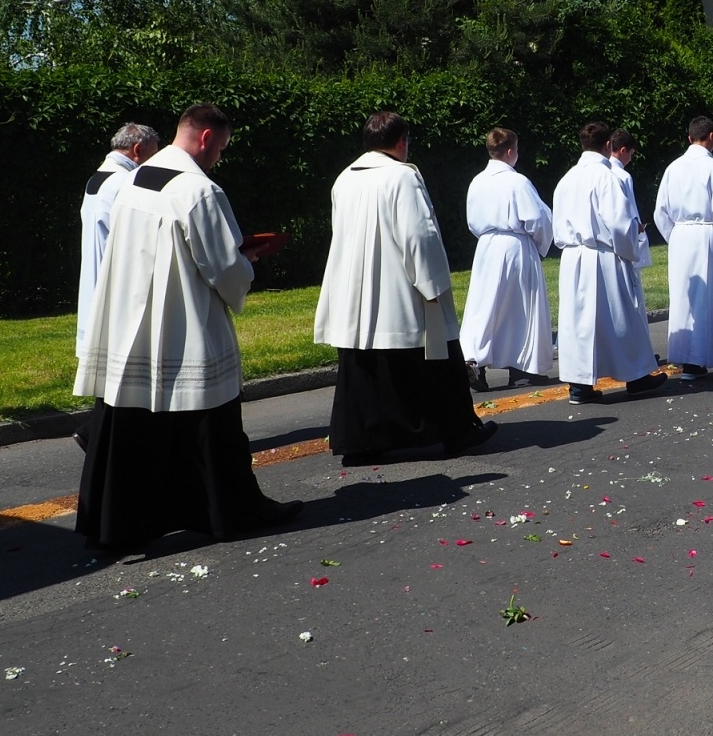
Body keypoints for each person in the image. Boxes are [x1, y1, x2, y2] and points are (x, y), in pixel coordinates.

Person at [74, 103, 302, 548]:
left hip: (132, 321)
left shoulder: (136, 178)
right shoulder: (199, 191)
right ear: (205, 139)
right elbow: (222, 267)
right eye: (221, 148)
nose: (219, 158)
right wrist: (247, 264)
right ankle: (230, 511)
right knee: (210, 423)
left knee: (137, 428)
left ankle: (118, 526)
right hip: (183, 321)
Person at [316, 112, 498, 465]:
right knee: (433, 357)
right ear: (402, 142)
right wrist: (431, 284)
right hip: (399, 289)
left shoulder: (343, 179)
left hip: (354, 293)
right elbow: (419, 235)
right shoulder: (403, 176)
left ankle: (364, 441)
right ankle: (453, 431)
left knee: (365, 368)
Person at [552, 121, 669, 403]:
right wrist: (631, 251)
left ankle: (580, 386)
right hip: (604, 255)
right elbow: (619, 223)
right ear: (608, 146)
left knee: (580, 323)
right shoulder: (607, 178)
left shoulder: (567, 179)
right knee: (621, 316)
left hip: (574, 257)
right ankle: (636, 375)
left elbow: (556, 223)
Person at [654, 116, 713, 379]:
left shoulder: (672, 168)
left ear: (689, 138)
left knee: (687, 300)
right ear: (711, 136)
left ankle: (691, 363)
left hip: (681, 235)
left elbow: (660, 211)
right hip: (709, 234)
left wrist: (674, 235)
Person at [459, 127, 554, 391]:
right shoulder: (517, 182)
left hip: (487, 245)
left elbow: (472, 221)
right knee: (520, 308)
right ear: (511, 151)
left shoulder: (477, 181)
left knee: (485, 304)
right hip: (515, 245)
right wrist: (540, 242)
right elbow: (536, 218)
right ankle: (521, 367)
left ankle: (473, 358)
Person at [77, 123, 161, 359]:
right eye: (152, 155)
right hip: (118, 287)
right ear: (137, 149)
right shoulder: (126, 183)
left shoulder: (98, 177)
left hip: (95, 279)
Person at [608, 128, 652, 274]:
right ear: (623, 150)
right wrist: (638, 229)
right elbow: (630, 210)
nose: (631, 159)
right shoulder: (622, 175)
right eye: (631, 154)